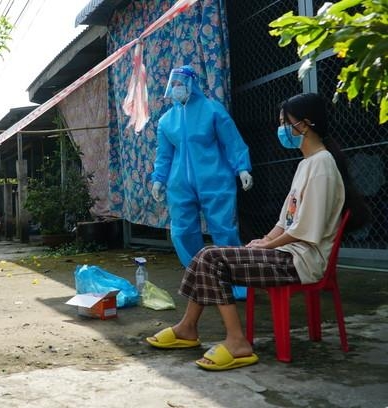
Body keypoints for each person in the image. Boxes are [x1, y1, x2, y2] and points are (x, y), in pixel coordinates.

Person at [145, 92, 368, 370]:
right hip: (287, 253)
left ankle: (236, 342)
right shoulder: (306, 164)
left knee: (212, 259)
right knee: (207, 253)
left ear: (306, 125)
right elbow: (286, 220)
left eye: (286, 122)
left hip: (301, 262)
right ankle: (187, 328)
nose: (282, 130)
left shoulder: (322, 166)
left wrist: (268, 247)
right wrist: (264, 240)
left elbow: (305, 229)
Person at [151, 65, 253, 299]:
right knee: (183, 232)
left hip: (215, 179)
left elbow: (232, 141)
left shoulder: (212, 110)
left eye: (180, 83)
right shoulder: (167, 121)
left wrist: (242, 168)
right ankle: (201, 277)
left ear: (191, 84)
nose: (176, 88)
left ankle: (236, 283)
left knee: (224, 231)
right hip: (179, 185)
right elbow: (164, 155)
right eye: (173, 84)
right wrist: (158, 179)